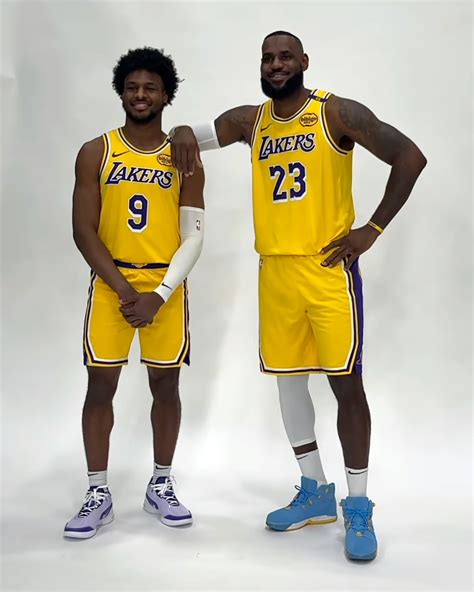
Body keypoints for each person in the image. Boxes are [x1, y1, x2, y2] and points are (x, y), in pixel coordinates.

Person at [170, 31, 426, 561]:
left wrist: (372, 229)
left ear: (304, 61)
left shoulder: (335, 113)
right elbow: (193, 135)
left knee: (346, 385)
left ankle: (359, 505)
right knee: (288, 383)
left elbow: (410, 157)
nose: (276, 64)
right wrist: (179, 129)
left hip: (327, 269)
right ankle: (315, 491)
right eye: (267, 58)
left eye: (285, 56)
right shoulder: (251, 121)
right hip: (276, 271)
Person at [65, 47, 205, 539]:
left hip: (167, 286)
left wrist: (158, 294)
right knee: (100, 386)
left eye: (150, 88)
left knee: (165, 386)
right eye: (132, 87)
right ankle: (97, 492)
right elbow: (83, 230)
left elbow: (194, 236)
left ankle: (160, 483)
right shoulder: (96, 151)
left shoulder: (184, 157)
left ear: (167, 95)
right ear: (121, 93)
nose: (140, 95)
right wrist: (126, 291)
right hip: (112, 285)